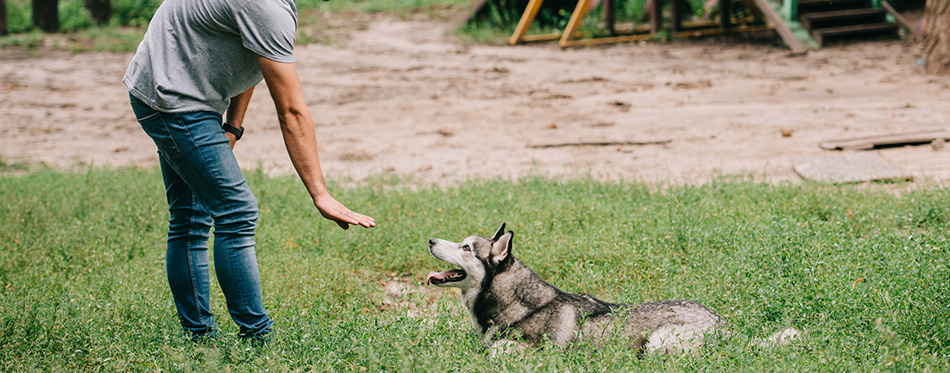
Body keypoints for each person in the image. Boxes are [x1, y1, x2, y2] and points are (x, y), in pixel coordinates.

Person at [123, 0, 376, 343]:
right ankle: (257, 337)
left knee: (192, 216)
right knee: (236, 211)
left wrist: (233, 125)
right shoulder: (266, 7)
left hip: (173, 82)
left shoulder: (270, 8)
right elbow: (291, 111)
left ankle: (199, 338)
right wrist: (320, 194)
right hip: (174, 98)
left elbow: (253, 49)